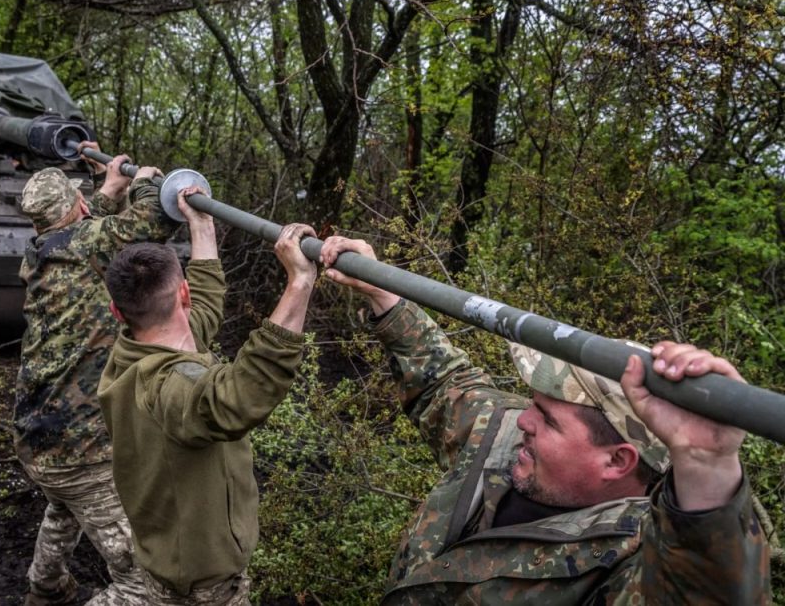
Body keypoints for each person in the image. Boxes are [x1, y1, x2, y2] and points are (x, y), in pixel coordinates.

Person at [319, 235, 770, 604]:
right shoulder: (500, 436)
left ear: (617, 461)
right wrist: (384, 292)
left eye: (549, 419)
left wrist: (707, 465)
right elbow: (442, 382)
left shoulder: (632, 559)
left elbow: (704, 593)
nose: (522, 421)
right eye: (532, 404)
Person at [98, 187, 317, 605]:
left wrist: (201, 223)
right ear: (182, 294)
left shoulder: (134, 346)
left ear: (117, 312)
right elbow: (239, 394)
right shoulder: (170, 387)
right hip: (201, 586)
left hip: (166, 556)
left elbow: (205, 306)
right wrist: (300, 282)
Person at [15, 142, 176, 606]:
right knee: (145, 583)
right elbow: (152, 224)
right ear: (77, 207)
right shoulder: (90, 243)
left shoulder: (37, 253)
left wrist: (108, 187)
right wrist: (145, 182)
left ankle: (46, 589)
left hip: (36, 438)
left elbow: (83, 225)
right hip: (82, 449)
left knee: (62, 504)